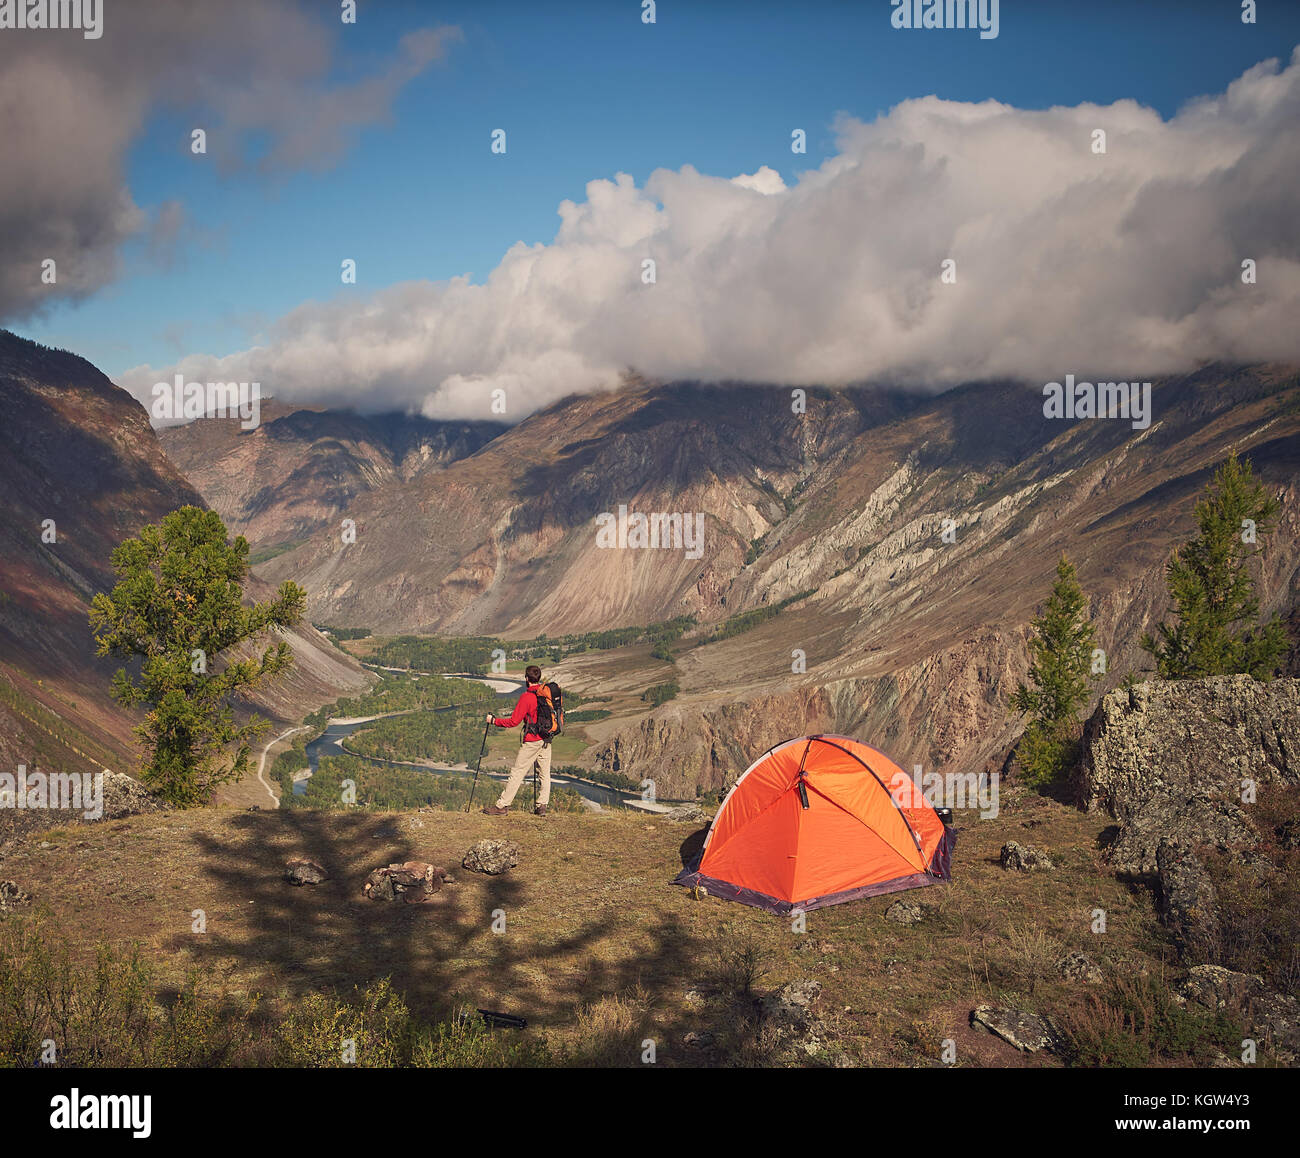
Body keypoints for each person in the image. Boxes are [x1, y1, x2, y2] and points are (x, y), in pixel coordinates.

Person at [481, 665, 552, 816]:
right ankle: (542, 806)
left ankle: (502, 805)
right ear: (538, 678)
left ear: (526, 679)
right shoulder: (546, 694)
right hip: (546, 739)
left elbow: (513, 722)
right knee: (544, 774)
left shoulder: (527, 697)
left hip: (532, 740)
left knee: (517, 772)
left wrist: (494, 721)